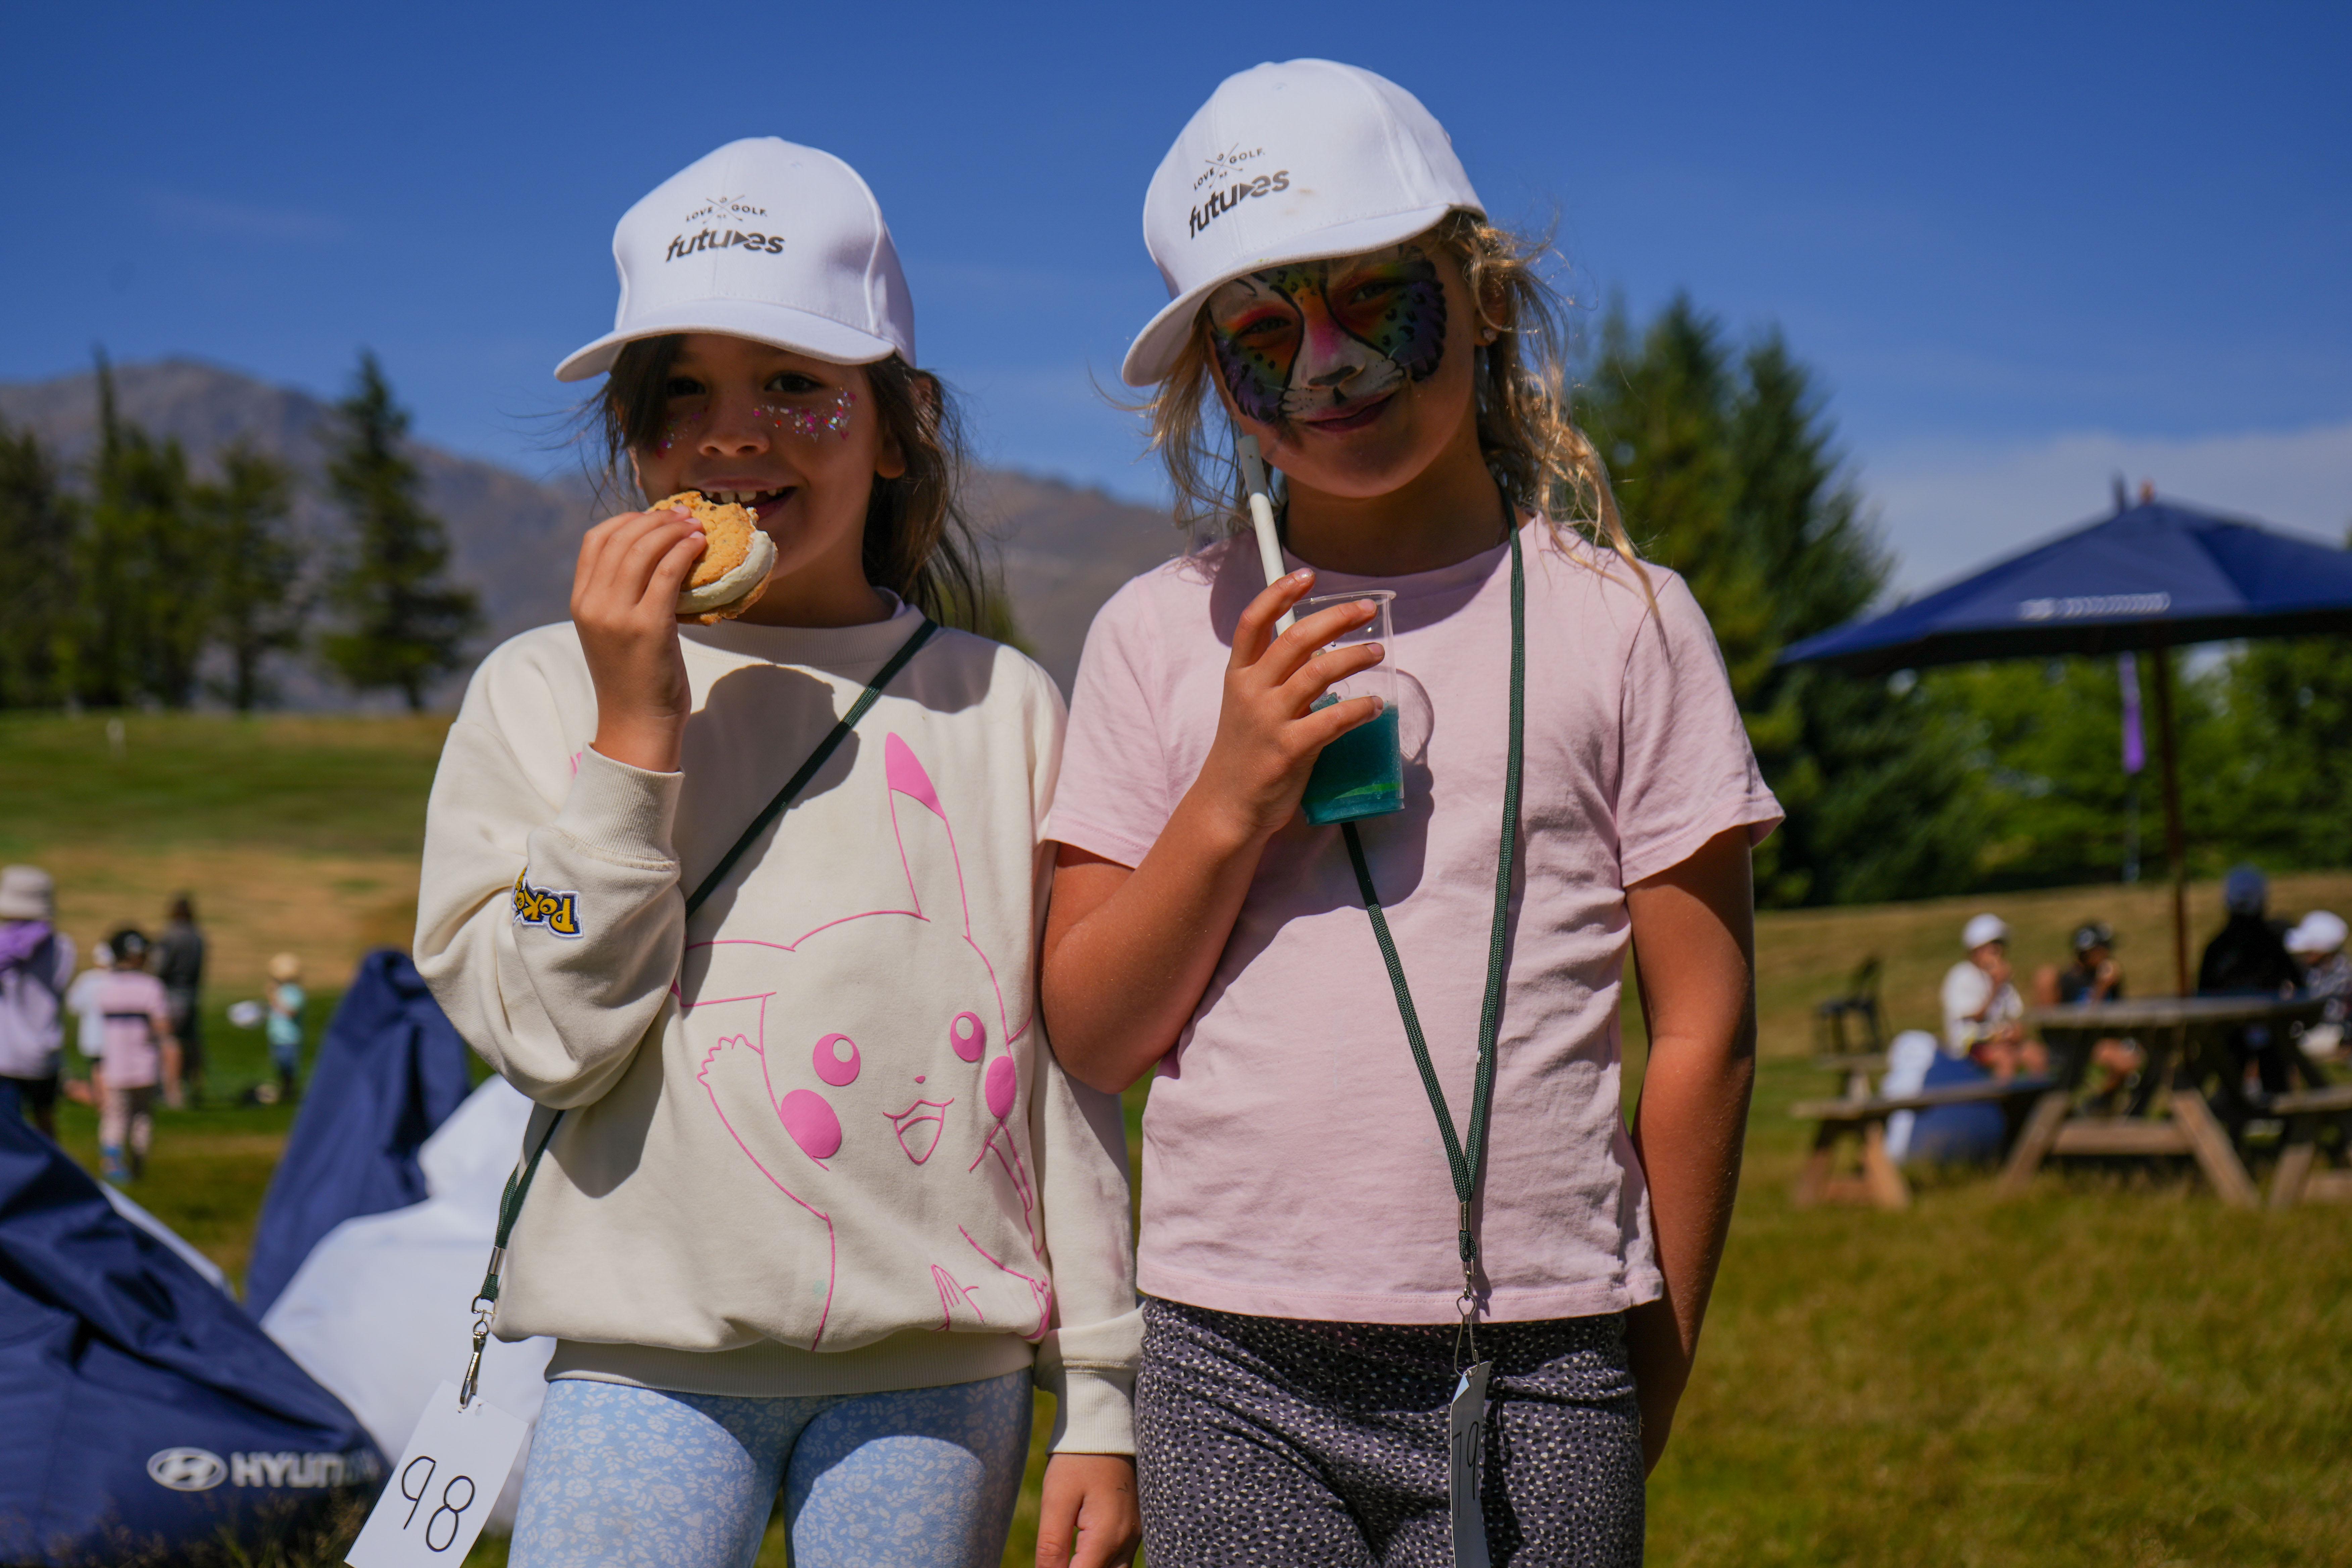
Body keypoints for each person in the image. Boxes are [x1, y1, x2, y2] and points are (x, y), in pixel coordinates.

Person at [1039, 62, 1780, 1566]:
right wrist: (1230, 797)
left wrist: (1654, 1353)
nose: (1326, 364)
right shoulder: (1153, 636)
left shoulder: (1626, 625)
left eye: (1378, 297)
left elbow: (1705, 1020)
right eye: (1261, 330)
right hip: (1226, 1362)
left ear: (1486, 293)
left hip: (1546, 1349)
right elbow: (1093, 1031)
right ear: (1211, 384)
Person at [413, 138, 1140, 1568]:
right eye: (677, 391)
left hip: (942, 1371)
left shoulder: (998, 705)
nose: (730, 436)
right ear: (629, 433)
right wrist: (632, 732)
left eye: (795, 387)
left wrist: (1106, 1397)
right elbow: (551, 1039)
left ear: (897, 420)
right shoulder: (540, 690)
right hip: (643, 1358)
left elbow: (1070, 1078)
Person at [2198, 865, 2301, 1094]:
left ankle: (2241, 1116)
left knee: (2234, 1070)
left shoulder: (2217, 948)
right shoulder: (2271, 943)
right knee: (2270, 1068)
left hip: (2232, 1032)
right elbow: (2299, 982)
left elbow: (2202, 993)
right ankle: (2284, 1122)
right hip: (2261, 1030)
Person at [90, 927, 180, 1183]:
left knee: (115, 1116)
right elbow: (163, 1027)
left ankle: (112, 1162)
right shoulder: (151, 987)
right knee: (142, 1117)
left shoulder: (105, 986)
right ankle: (138, 1163)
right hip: (144, 1064)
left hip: (115, 1064)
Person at [0, 866, 77, 1139]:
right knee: (46, 1123)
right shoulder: (63, 946)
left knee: (8, 1131)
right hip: (45, 1050)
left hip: (7, 1055)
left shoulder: (5, 947)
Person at [2030, 922, 2143, 1098]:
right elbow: (2080, 1019)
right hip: (2076, 1044)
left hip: (2103, 1039)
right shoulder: (2069, 980)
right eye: (2104, 949)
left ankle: (2102, 1105)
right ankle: (2096, 1105)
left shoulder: (2109, 977)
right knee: (2125, 1062)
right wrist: (2102, 988)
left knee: (2141, 1056)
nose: (2108, 954)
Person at [1941, 914, 2044, 1079]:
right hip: (1970, 1045)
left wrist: (2016, 1032)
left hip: (2001, 1041)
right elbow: (1977, 1016)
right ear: (1976, 950)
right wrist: (1997, 986)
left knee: (2035, 1054)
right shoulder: (1961, 976)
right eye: (1993, 947)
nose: (1998, 952)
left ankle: (2037, 1101)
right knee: (2005, 1058)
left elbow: (2015, 1015)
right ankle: (2001, 1102)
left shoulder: (2002, 979)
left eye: (2000, 946)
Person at [153, 893, 207, 1107]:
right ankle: (196, 1085)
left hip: (173, 994)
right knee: (192, 1041)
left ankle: (173, 1092)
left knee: (170, 1042)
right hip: (192, 995)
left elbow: (160, 967)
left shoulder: (170, 936)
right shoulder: (198, 937)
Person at [2285, 910, 2348, 1059]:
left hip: (2331, 1032)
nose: (2304, 953)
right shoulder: (2313, 970)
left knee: (2281, 1043)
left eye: (2310, 949)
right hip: (2311, 1029)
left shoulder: (2341, 974)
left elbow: (2311, 1001)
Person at [263, 952, 307, 1101]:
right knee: (280, 1066)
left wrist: (275, 998)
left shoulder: (295, 992)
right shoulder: (280, 991)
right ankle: (285, 1090)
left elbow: (291, 1012)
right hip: (277, 1036)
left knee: (288, 1066)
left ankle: (288, 1091)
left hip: (290, 1038)